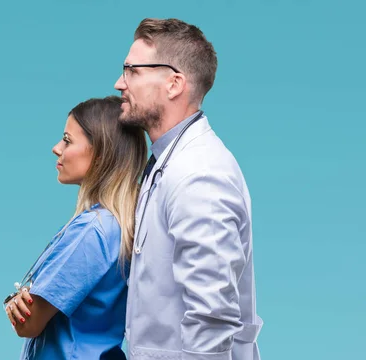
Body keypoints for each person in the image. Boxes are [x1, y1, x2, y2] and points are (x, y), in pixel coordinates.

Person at [114, 18, 263, 360]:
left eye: (132, 71)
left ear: (174, 84)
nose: (119, 83)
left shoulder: (200, 173)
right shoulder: (168, 162)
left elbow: (211, 317)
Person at [4, 96, 147, 359]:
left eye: (67, 140)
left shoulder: (93, 230)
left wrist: (16, 304)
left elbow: (29, 323)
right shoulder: (122, 225)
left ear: (101, 154)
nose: (56, 148)